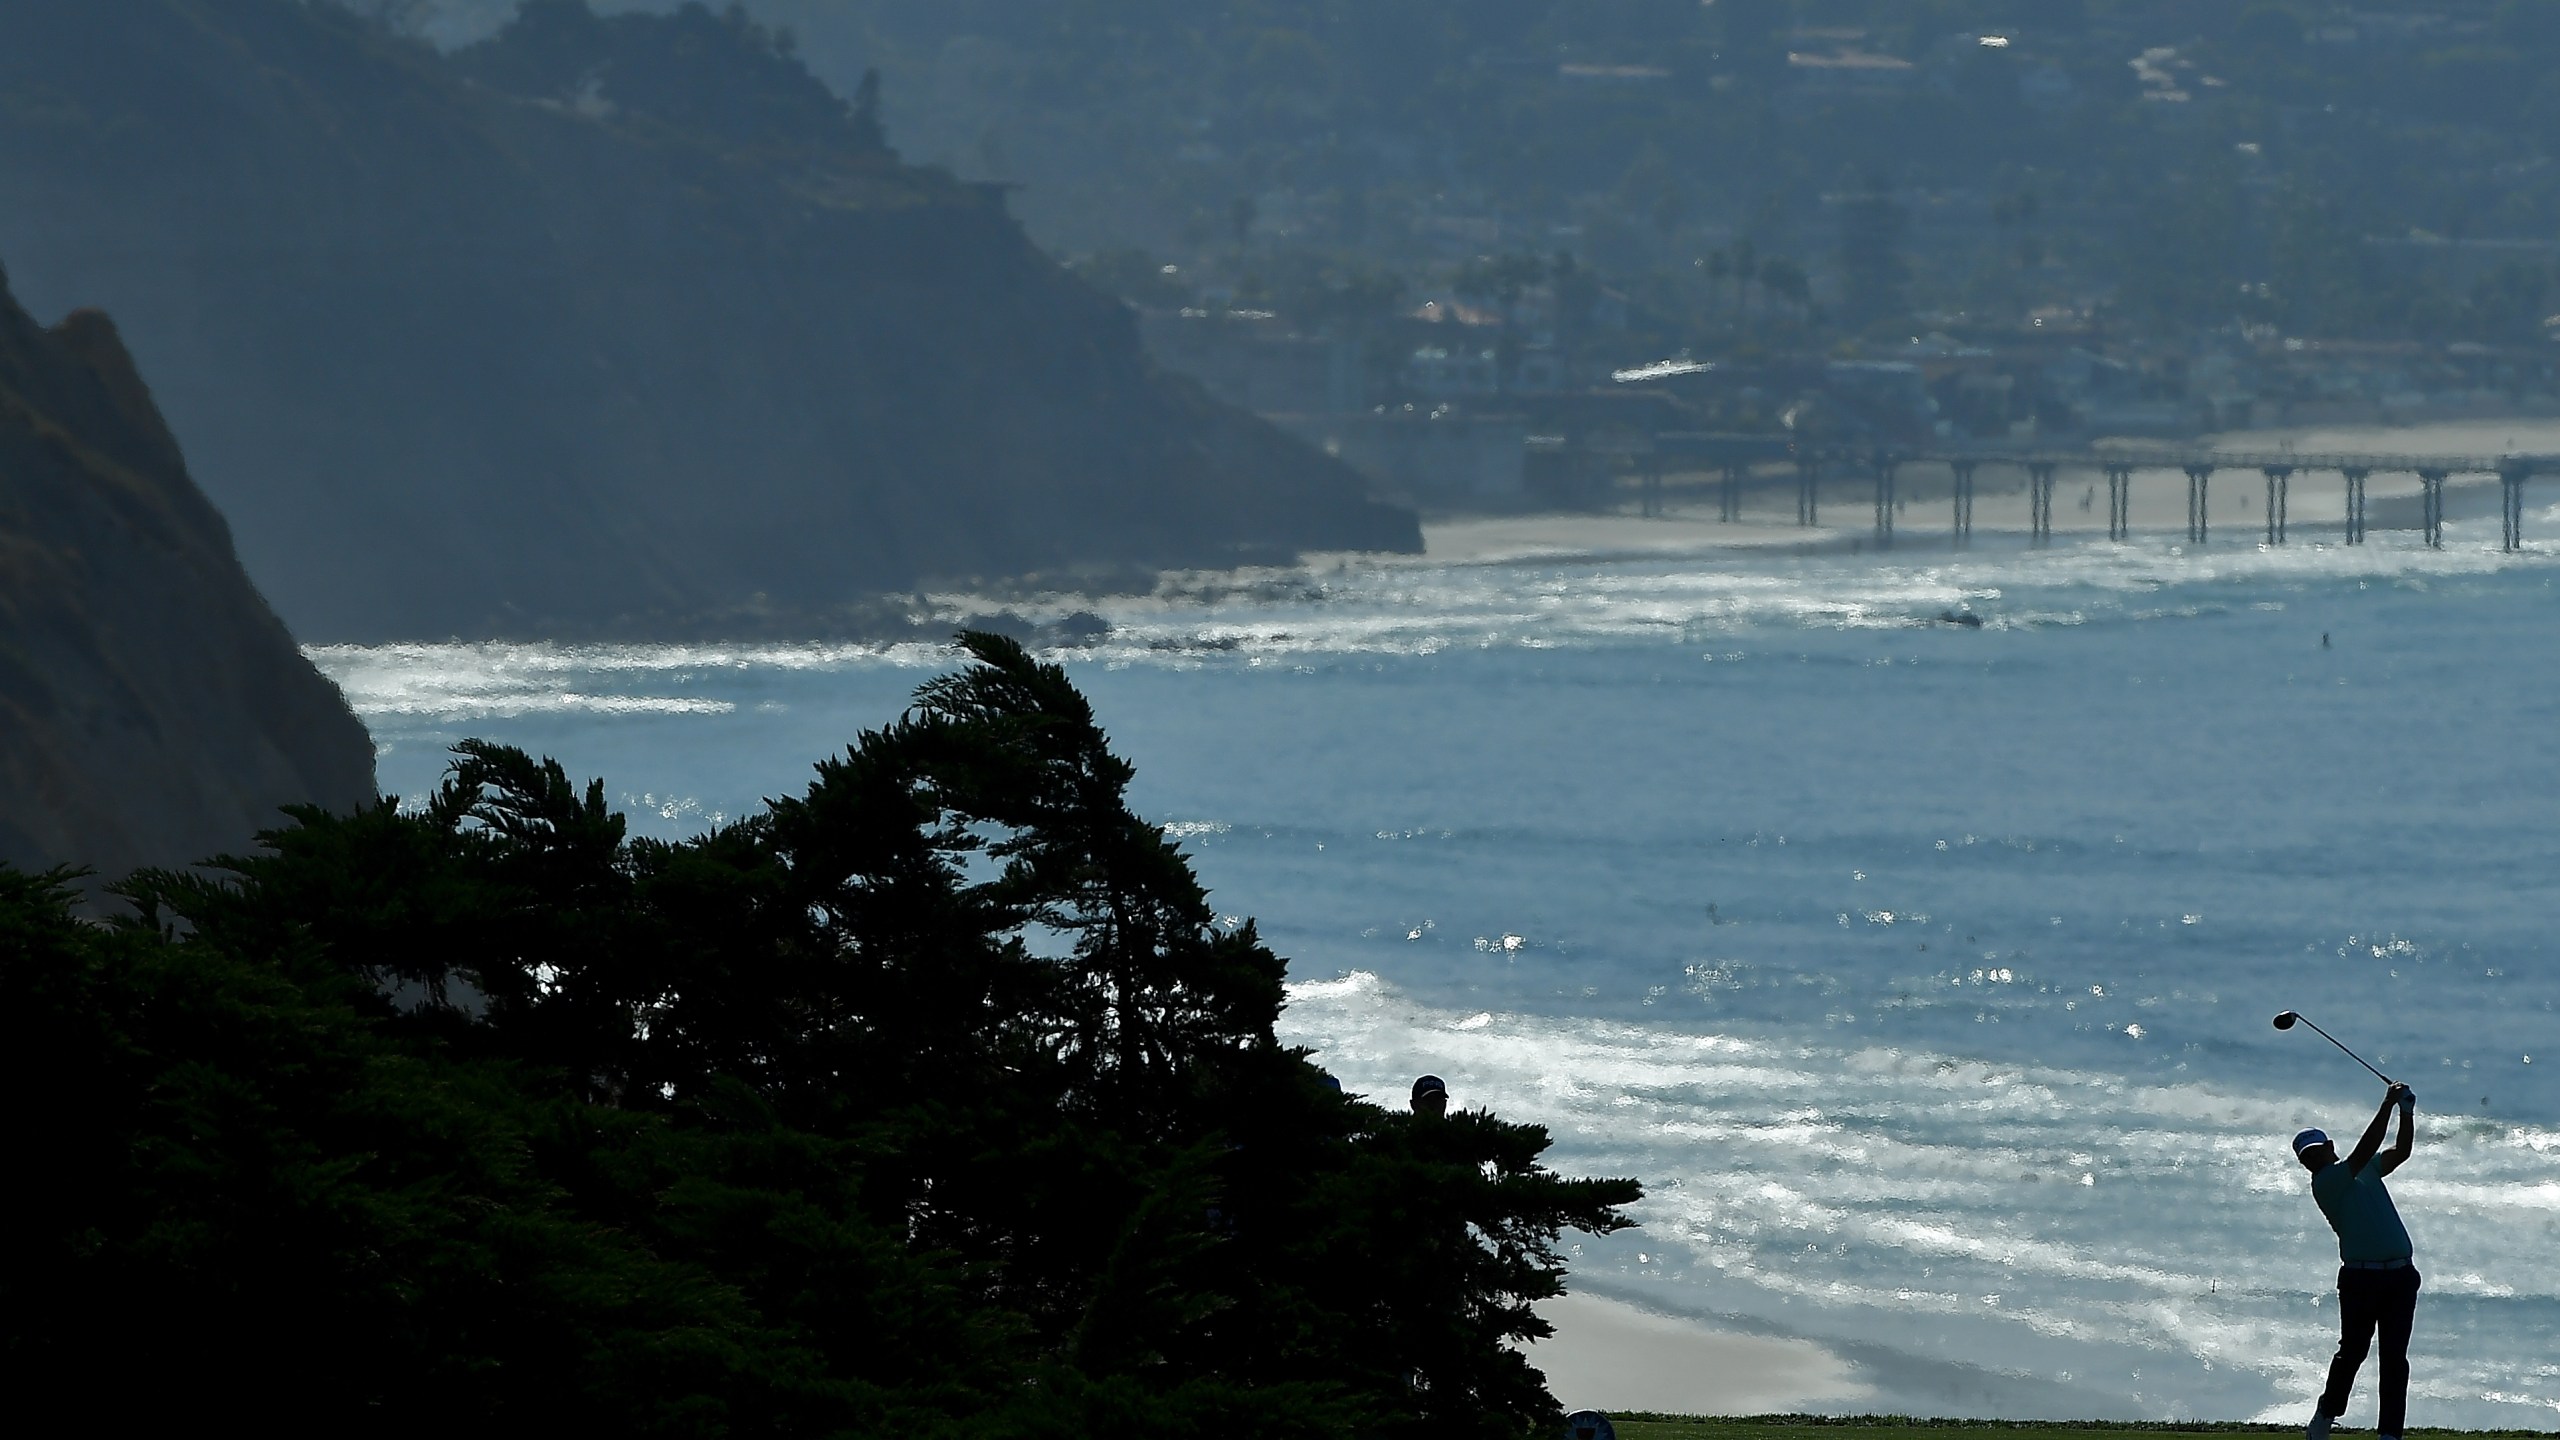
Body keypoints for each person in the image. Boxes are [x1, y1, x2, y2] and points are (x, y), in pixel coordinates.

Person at [2293, 1081, 2420, 1440]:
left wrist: (2406, 1112)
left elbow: (2401, 1151)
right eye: (2307, 1157)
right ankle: (2325, 1415)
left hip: (2400, 1276)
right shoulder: (2327, 1182)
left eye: (2316, 1151)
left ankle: (2390, 1434)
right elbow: (2366, 1148)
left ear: (2329, 1147)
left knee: (2395, 1360)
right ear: (2305, 1164)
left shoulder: (2361, 1168)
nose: (2313, 1159)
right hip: (2360, 1280)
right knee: (2352, 1352)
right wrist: (2387, 1105)